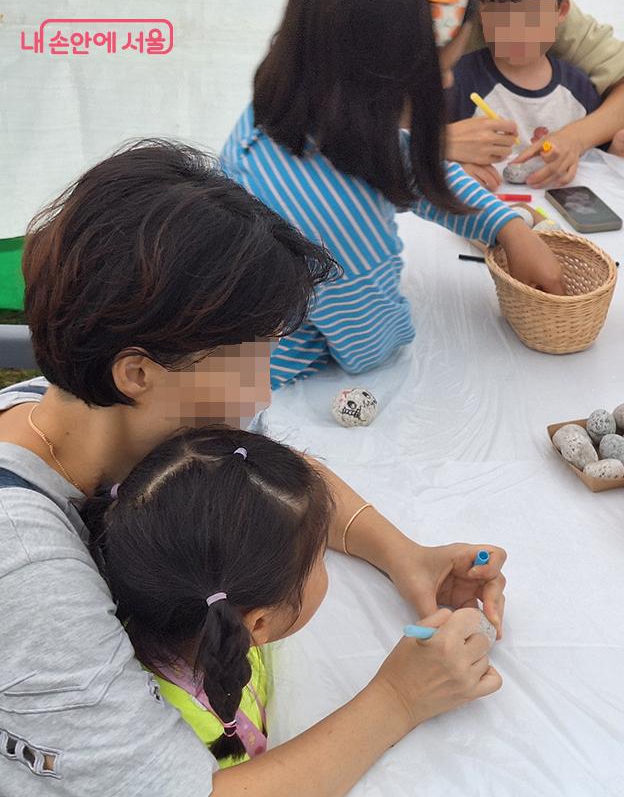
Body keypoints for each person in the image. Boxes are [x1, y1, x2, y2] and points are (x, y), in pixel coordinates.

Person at [0, 140, 506, 797]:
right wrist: (402, 699)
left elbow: (263, 474)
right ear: (139, 371)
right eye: (247, 363)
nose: (264, 394)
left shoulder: (106, 411)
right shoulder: (25, 565)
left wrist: (404, 554)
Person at [221, 0, 565, 390]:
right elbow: (372, 347)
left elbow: (405, 165)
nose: (449, 82)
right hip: (270, 382)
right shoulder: (339, 219)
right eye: (443, 72)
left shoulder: (286, 111)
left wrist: (507, 227)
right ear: (380, 77)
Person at [83, 428, 339, 768]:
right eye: (320, 556)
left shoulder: (196, 622)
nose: (325, 564)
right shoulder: (189, 739)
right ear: (258, 623)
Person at [447, 0, 624, 191]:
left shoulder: (576, 85)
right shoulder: (460, 77)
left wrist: (581, 140)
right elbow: (419, 142)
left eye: (531, 16)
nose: (516, 27)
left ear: (561, 11)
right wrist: (442, 150)